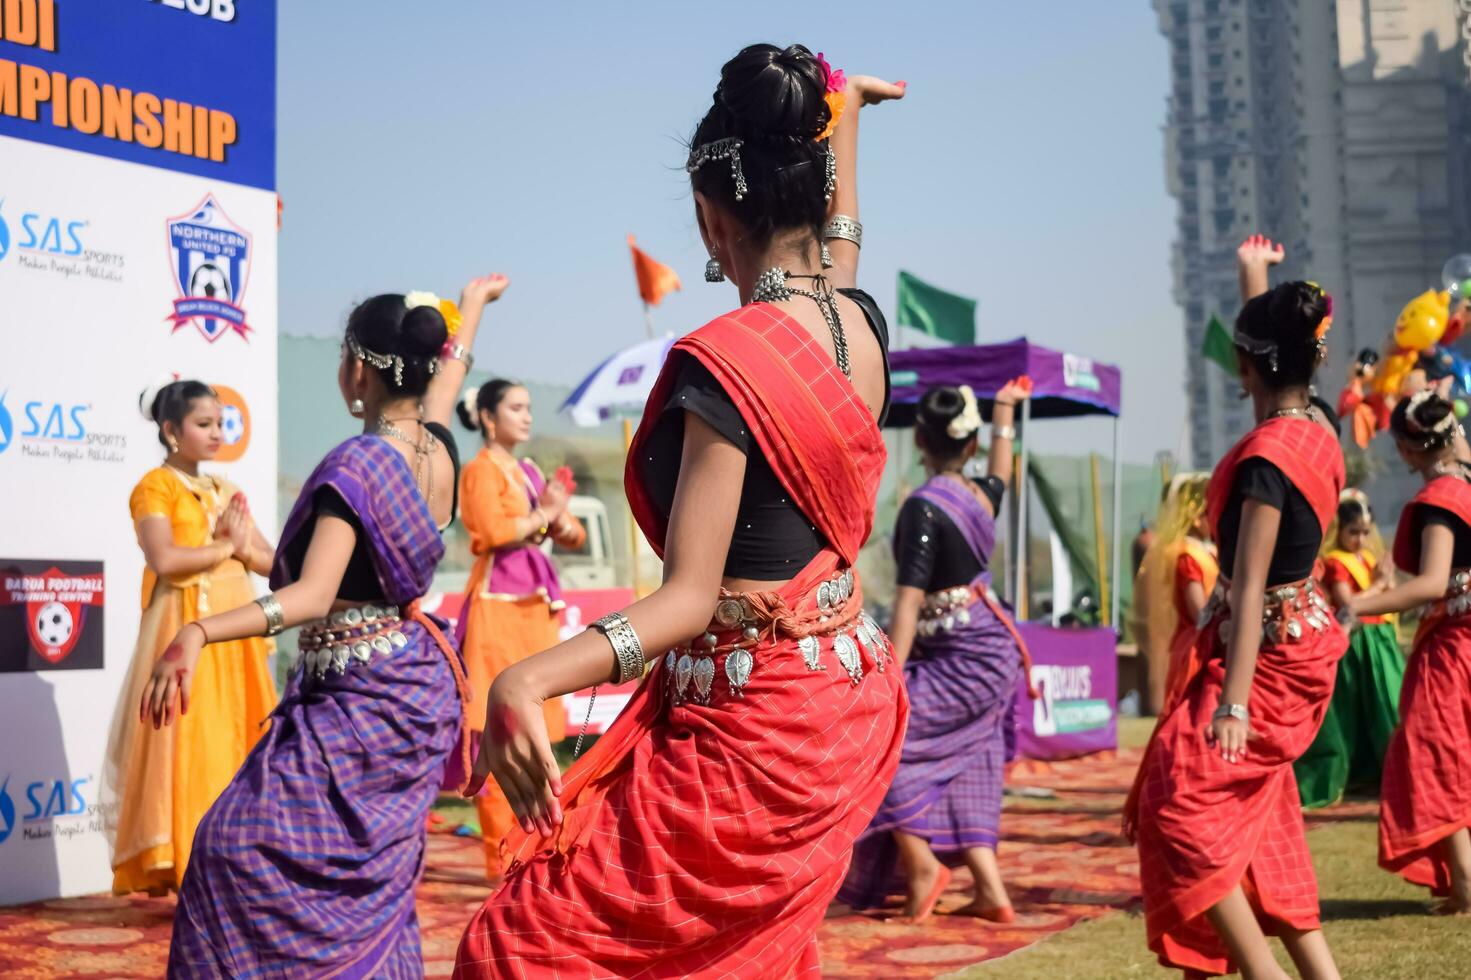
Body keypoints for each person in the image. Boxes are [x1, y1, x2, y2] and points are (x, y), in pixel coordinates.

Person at [453, 46, 907, 978]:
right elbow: (845, 242)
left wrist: (525, 682)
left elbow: (689, 599)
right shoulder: (857, 322)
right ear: (820, 198)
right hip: (837, 704)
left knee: (518, 949)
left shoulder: (727, 360)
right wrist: (848, 118)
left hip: (745, 729)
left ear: (709, 220)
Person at [149, 274, 507, 977]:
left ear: (359, 369)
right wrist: (472, 307)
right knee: (367, 882)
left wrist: (197, 632)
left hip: (357, 697)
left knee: (232, 847)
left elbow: (313, 596)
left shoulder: (360, 462)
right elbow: (452, 370)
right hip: (412, 687)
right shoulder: (436, 447)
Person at [1126, 264, 1347, 979]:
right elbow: (1279, 355)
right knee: (1260, 821)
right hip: (1300, 640)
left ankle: (1265, 974)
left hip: (1262, 660)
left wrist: (1233, 704)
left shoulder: (1265, 463)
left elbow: (1248, 586)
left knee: (1177, 797)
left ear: (1244, 365)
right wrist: (1259, 281)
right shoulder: (1317, 431)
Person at [838, 380, 1033, 923]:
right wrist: (1004, 413)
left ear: (919, 438)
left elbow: (906, 604)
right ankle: (991, 890)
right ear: (969, 444)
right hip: (993, 653)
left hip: (963, 658)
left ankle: (921, 864)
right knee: (973, 760)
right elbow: (1002, 473)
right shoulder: (978, 497)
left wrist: (889, 681)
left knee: (885, 741)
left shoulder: (923, 509)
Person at [103, 380, 277, 895]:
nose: (217, 434)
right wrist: (227, 548)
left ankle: (238, 864)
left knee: (237, 741)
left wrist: (241, 548)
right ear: (171, 431)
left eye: (220, 423)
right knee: (190, 744)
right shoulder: (155, 487)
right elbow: (166, 561)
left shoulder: (228, 492)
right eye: (204, 424)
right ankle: (189, 866)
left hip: (235, 633)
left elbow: (273, 563)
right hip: (183, 633)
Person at [454, 379, 585, 879]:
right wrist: (543, 516)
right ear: (488, 418)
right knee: (496, 726)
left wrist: (553, 518)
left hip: (535, 610)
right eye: (515, 408)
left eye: (529, 408)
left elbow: (571, 531)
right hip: (496, 611)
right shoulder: (479, 470)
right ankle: (500, 856)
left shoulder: (528, 471)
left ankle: (535, 846)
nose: (527, 417)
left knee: (539, 728)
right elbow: (490, 531)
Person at [1346, 391, 1471, 912]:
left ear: (1404, 449)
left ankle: (1466, 885)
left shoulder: (1441, 498)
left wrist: (1355, 607)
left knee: (1432, 755)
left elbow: (1431, 583)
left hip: (1454, 646)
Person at [1292, 488, 1404, 808]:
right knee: (1365, 709)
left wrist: (1386, 580)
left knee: (1390, 706)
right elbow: (1349, 604)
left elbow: (1386, 595)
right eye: (1353, 532)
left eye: (1366, 532)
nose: (1360, 538)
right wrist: (1381, 585)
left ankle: (1391, 773)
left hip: (1380, 640)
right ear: (1338, 530)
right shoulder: (1336, 563)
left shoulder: (1365, 558)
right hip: (1358, 643)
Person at [1137, 473, 1217, 716]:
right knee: (1193, 715)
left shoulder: (1206, 551)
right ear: (1194, 517)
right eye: (1208, 511)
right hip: (1196, 648)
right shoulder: (1187, 555)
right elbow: (1199, 613)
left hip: (1210, 640)